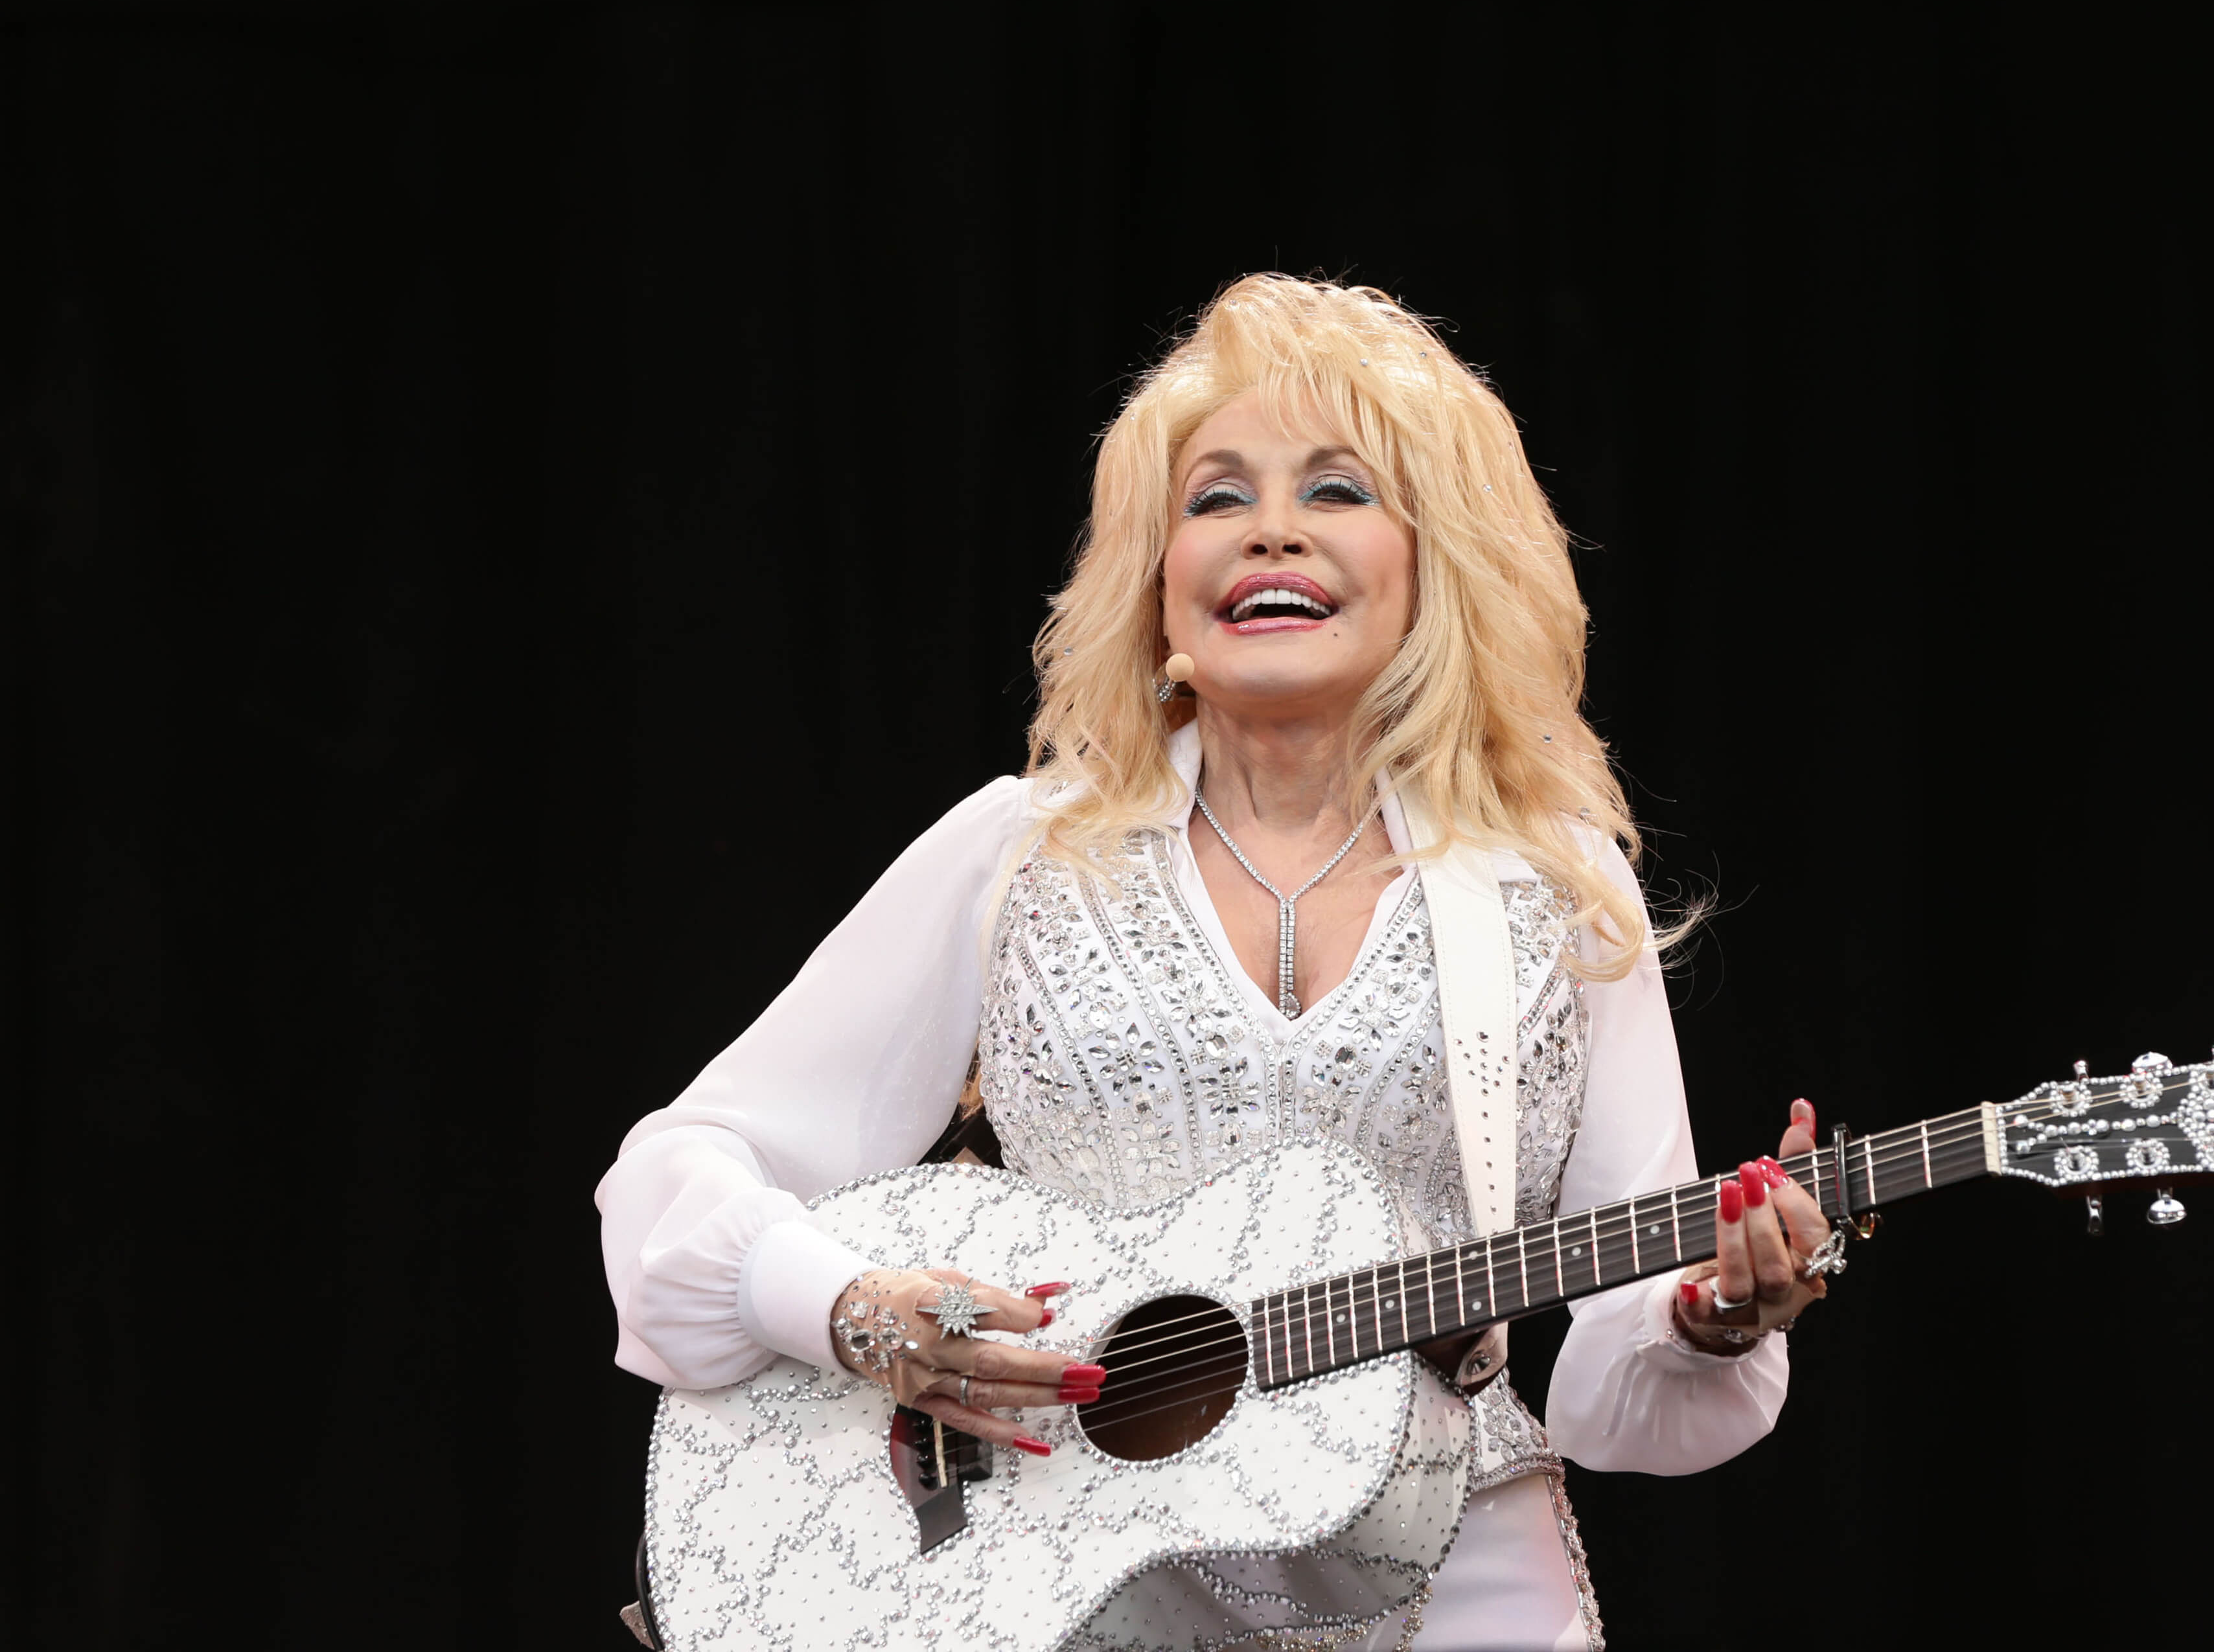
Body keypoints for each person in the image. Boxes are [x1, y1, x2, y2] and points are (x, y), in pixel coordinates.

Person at [597, 274, 1831, 1650]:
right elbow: (681, 1173)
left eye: (1340, 490)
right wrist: (852, 1309)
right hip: (1054, 1574)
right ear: (1158, 585)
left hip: (1446, 1580)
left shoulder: (1545, 886)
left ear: (1439, 567)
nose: (1273, 532)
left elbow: (1619, 1374)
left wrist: (1719, 1315)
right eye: (1216, 497)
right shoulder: (1020, 854)